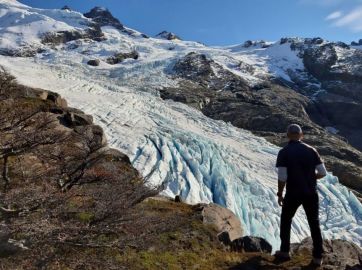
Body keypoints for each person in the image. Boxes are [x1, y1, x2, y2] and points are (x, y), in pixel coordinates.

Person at [274, 124, 327, 266]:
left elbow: (282, 177)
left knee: (286, 220)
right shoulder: (311, 150)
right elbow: (322, 172)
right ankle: (317, 257)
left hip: (293, 193)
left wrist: (280, 193)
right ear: (301, 135)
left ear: (287, 135)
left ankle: (284, 252)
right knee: (314, 223)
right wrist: (310, 177)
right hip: (310, 192)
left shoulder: (284, 152)